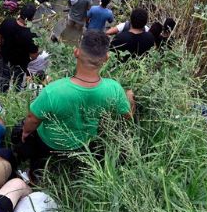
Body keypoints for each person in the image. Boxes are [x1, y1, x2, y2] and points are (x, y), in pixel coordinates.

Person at [19, 31, 135, 181]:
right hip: (83, 144)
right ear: (106, 58)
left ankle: (34, 176)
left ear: (76, 52)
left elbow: (33, 119)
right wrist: (130, 97)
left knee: (36, 153)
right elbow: (127, 116)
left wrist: (26, 132)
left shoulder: (53, 90)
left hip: (49, 142)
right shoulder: (113, 89)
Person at [0, 4, 38, 89]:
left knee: (4, 77)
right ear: (32, 17)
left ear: (20, 12)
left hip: (5, 56)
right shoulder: (31, 34)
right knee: (18, 80)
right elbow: (33, 56)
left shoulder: (7, 22)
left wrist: (0, 49)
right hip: (20, 64)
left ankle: (3, 90)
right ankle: (15, 94)